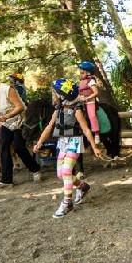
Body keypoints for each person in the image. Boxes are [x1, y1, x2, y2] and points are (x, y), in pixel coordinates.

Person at [33, 78, 102, 218]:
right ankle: (83, 187)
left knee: (66, 171)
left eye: (55, 93)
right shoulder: (57, 111)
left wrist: (94, 147)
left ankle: (67, 202)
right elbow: (49, 127)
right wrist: (40, 142)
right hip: (63, 143)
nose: (54, 95)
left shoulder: (76, 110)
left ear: (63, 95)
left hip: (74, 143)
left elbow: (86, 130)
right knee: (61, 174)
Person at [0, 78, 41, 189]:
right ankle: (6, 181)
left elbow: (20, 107)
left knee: (18, 147)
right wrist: (0, 124)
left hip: (20, 121)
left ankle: (35, 169)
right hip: (6, 123)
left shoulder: (6, 89)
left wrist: (6, 116)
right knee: (4, 148)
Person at [77, 61, 100, 143]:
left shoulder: (91, 81)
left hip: (90, 101)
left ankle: (96, 133)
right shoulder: (80, 82)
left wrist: (87, 98)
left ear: (88, 73)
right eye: (80, 73)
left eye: (82, 73)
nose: (80, 74)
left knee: (92, 116)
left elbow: (96, 92)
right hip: (80, 101)